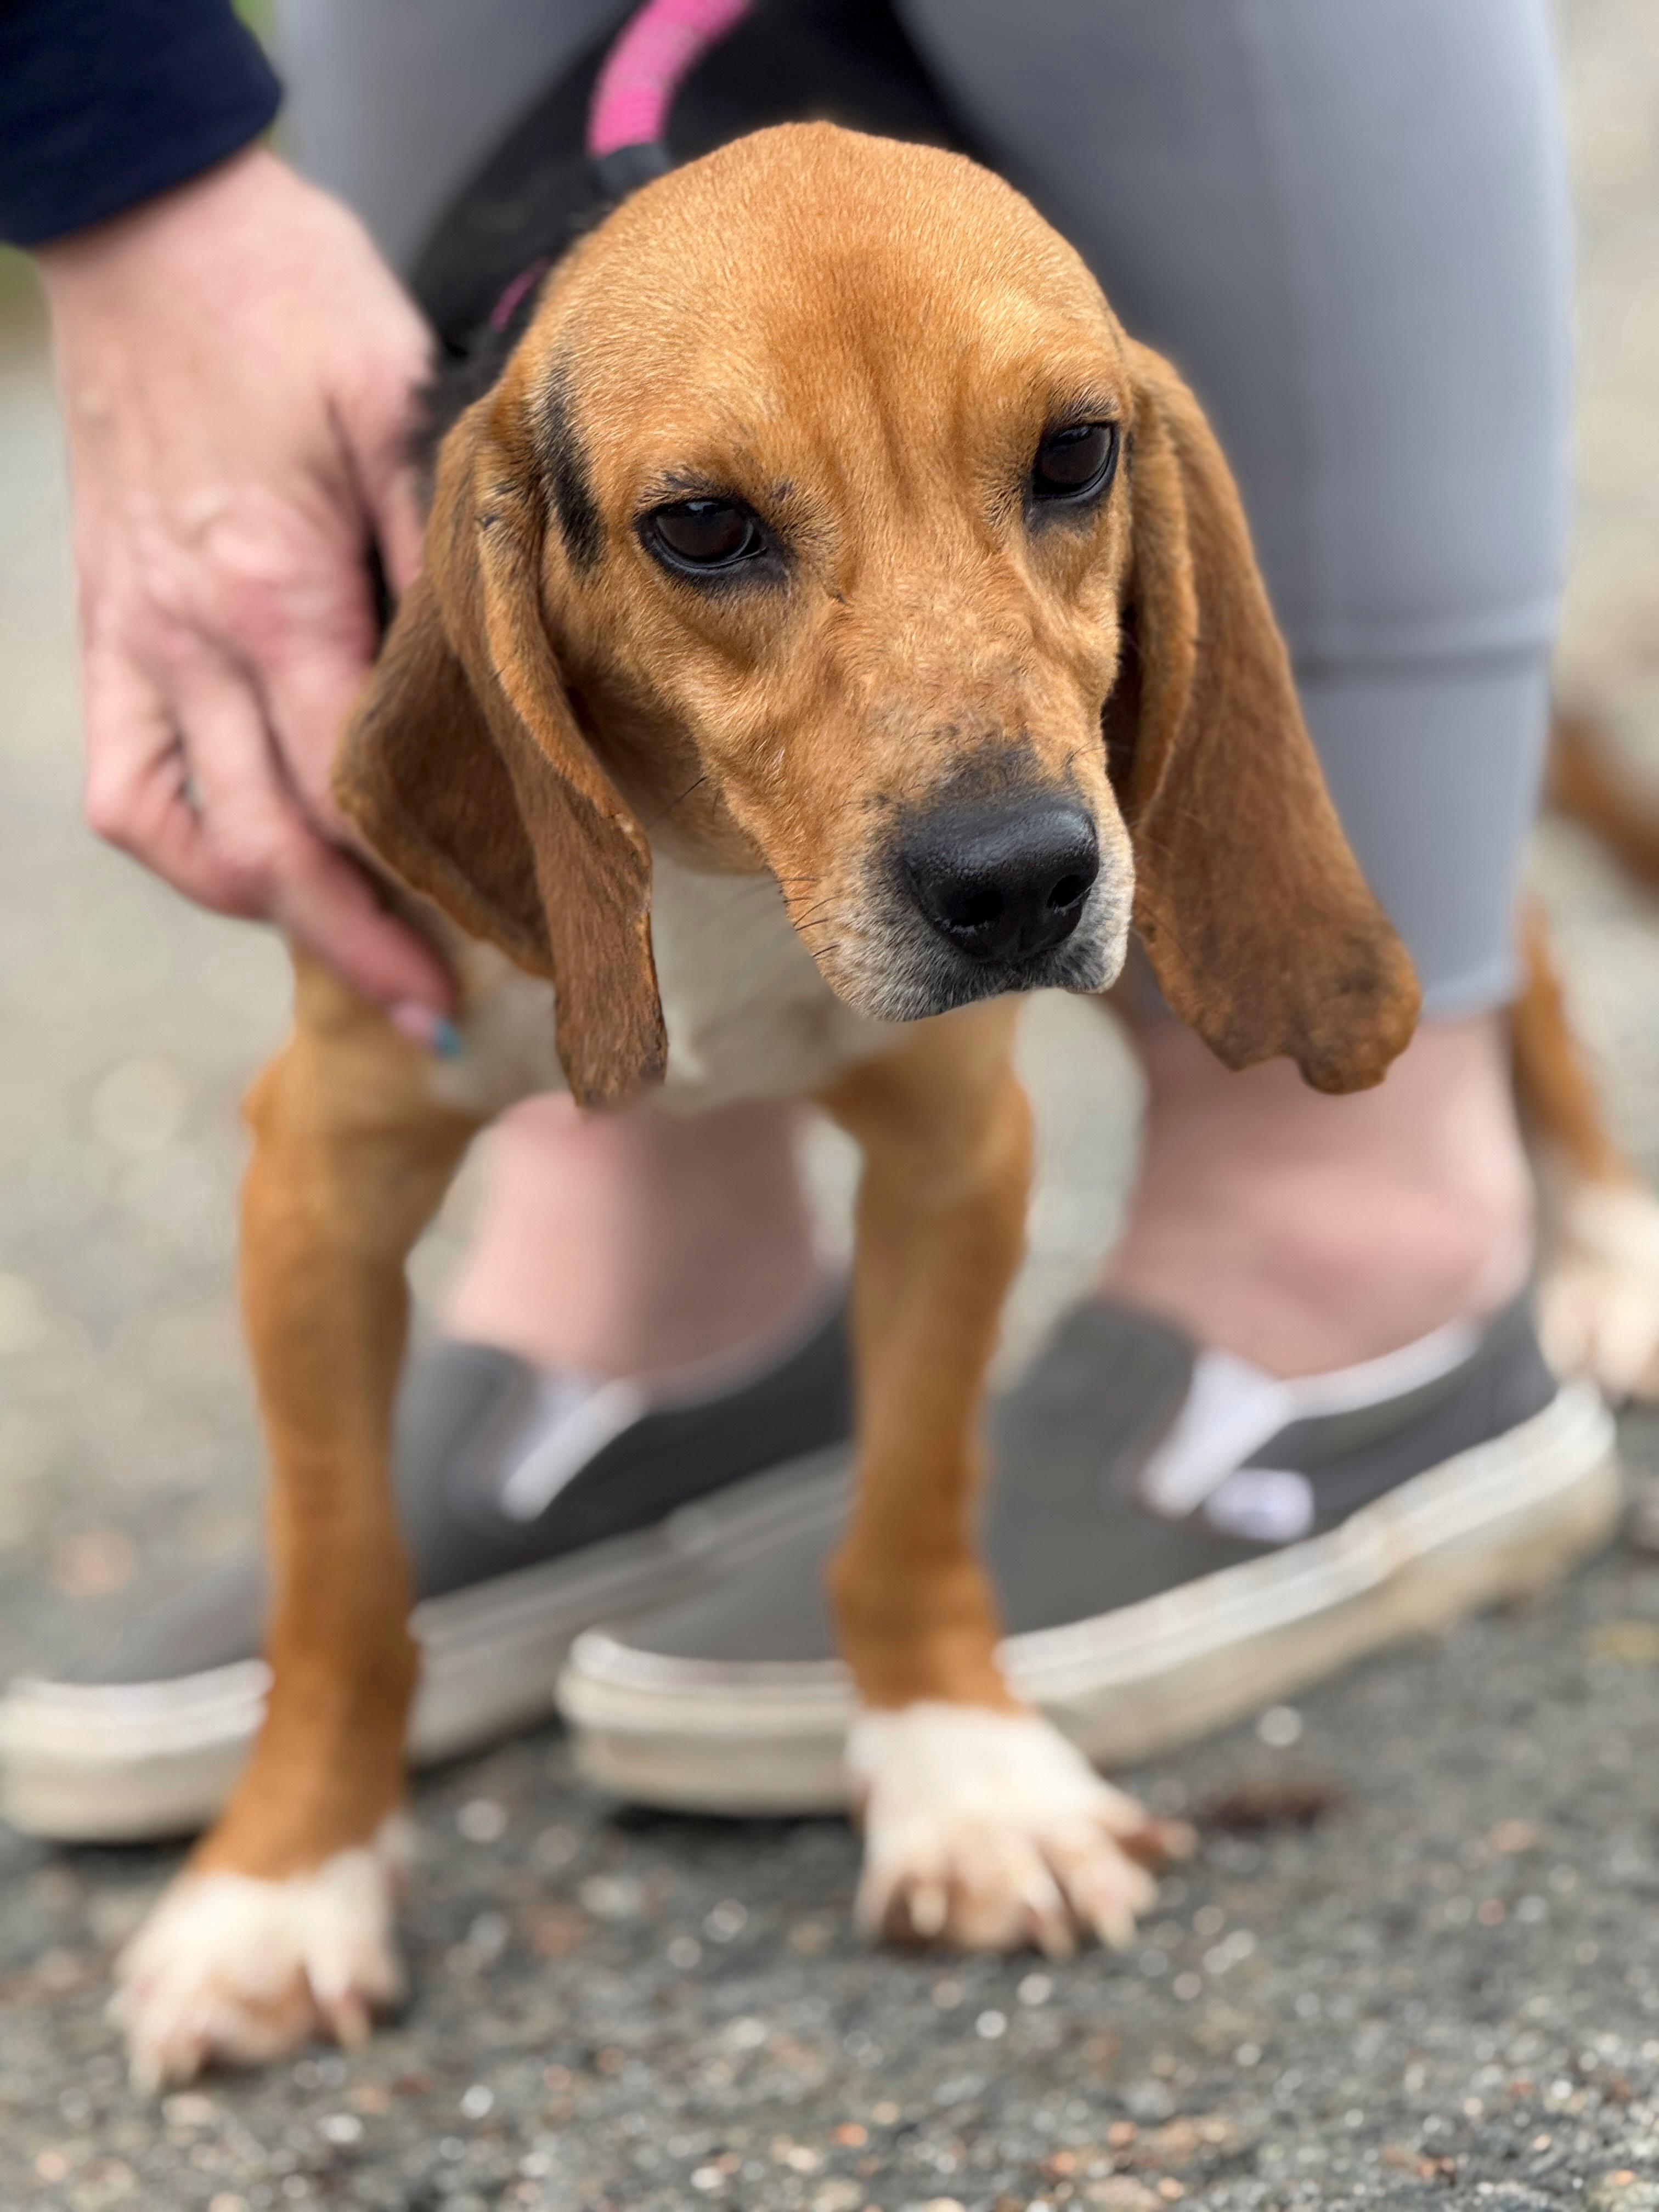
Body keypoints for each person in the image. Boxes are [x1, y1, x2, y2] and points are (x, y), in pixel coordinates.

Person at [0, 0, 1584, 1835]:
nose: (999, 836)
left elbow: (977, 1129)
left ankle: (1368, 1244)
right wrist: (130, 191)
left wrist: (922, 1647)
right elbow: (323, 1180)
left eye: (1066, 463)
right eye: (710, 528)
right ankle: (662, 1281)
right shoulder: (472, 683)